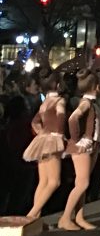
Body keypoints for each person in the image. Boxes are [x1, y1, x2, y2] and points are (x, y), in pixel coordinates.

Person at [59, 69, 100, 230]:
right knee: (83, 183)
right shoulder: (85, 102)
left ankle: (79, 217)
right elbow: (72, 118)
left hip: (91, 145)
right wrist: (77, 139)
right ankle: (65, 217)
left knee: (83, 182)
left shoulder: (90, 102)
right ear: (95, 86)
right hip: (83, 146)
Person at [23, 71, 67, 220]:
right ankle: (31, 215)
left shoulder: (45, 103)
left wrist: (42, 133)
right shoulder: (59, 101)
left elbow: (34, 122)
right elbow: (61, 121)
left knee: (43, 182)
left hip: (42, 140)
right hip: (53, 141)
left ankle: (35, 218)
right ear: (58, 84)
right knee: (54, 181)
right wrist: (58, 136)